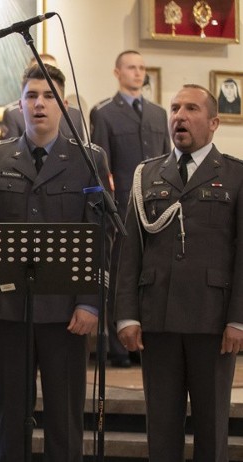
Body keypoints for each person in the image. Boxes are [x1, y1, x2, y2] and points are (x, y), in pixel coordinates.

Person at [0, 64, 112, 462]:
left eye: (48, 96)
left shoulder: (89, 159)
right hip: (9, 313)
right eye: (31, 95)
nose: (39, 104)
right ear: (19, 104)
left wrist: (91, 301)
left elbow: (101, 239)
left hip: (67, 315)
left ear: (63, 104)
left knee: (66, 422)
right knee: (11, 417)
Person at [115, 84, 243, 462]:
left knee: (211, 430)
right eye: (174, 108)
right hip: (160, 319)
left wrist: (240, 320)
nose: (180, 117)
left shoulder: (234, 176)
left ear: (214, 123)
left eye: (191, 109)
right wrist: (126, 313)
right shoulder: (148, 174)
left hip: (214, 323)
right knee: (162, 429)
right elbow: (130, 249)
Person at [90, 50, 171, 368]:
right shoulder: (105, 112)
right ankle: (118, 347)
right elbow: (100, 166)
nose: (138, 73)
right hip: (122, 207)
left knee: (150, 275)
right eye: (131, 68)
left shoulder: (157, 113)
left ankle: (144, 342)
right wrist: (106, 210)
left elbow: (167, 160)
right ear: (117, 72)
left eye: (141, 68)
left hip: (156, 208)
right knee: (121, 276)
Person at [0, 54, 86, 142]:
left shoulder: (74, 114)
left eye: (51, 70)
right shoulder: (13, 114)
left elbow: (79, 151)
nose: (45, 76)